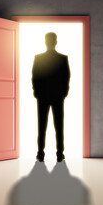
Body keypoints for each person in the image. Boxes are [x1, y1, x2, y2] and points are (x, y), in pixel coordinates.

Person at [32, 32, 70, 162]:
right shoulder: (62, 58)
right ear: (56, 42)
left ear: (45, 42)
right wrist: (64, 93)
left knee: (41, 126)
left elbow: (35, 77)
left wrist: (36, 92)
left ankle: (40, 153)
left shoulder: (38, 58)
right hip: (58, 97)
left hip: (42, 96)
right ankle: (59, 153)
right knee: (59, 126)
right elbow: (66, 77)